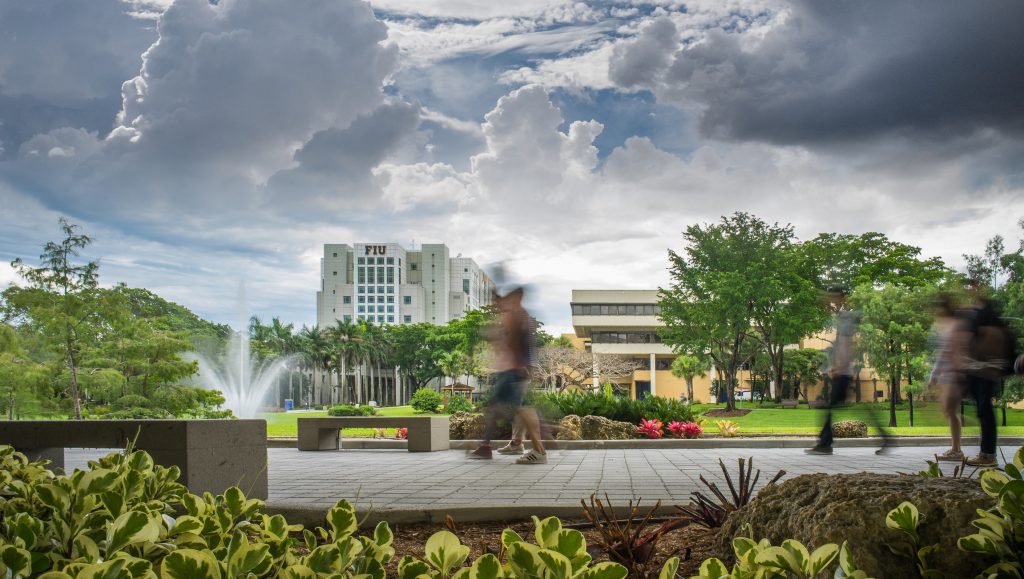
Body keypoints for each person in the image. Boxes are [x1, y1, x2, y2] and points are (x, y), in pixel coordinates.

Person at [468, 286, 548, 464]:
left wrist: (521, 365)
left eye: (501, 300)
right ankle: (490, 446)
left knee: (522, 409)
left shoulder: (517, 315)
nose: (497, 303)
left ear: (516, 298)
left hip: (514, 370)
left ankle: (539, 449)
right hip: (511, 369)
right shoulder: (514, 315)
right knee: (500, 407)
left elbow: (517, 342)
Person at [806, 288, 890, 455]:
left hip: (844, 372)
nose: (828, 300)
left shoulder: (845, 318)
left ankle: (825, 443)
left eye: (831, 297)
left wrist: (841, 366)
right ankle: (885, 438)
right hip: (843, 371)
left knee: (831, 408)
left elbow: (848, 345)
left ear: (838, 297)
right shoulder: (842, 317)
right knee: (850, 408)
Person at [954, 293, 1009, 467]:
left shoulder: (985, 313)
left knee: (985, 411)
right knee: (983, 410)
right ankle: (987, 453)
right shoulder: (978, 313)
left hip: (985, 369)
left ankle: (988, 455)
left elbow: (989, 338)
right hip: (980, 369)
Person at [929, 293, 965, 461]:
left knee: (950, 410)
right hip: (952, 373)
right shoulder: (952, 325)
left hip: (954, 373)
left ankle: (956, 449)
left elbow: (945, 353)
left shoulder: (952, 326)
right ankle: (956, 448)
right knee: (949, 411)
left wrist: (934, 375)